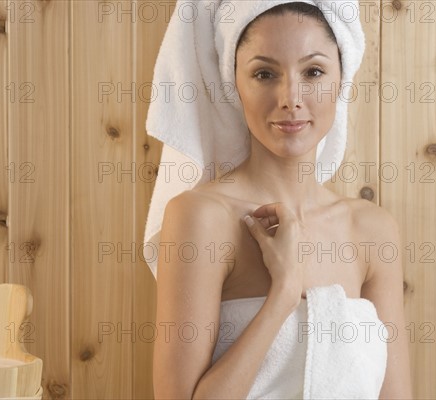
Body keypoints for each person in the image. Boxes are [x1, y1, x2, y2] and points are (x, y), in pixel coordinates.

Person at [152, 2, 413, 399]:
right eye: (264, 73)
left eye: (313, 71)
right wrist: (284, 294)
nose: (291, 97)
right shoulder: (201, 219)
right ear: (233, 83)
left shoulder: (373, 231)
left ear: (341, 78)